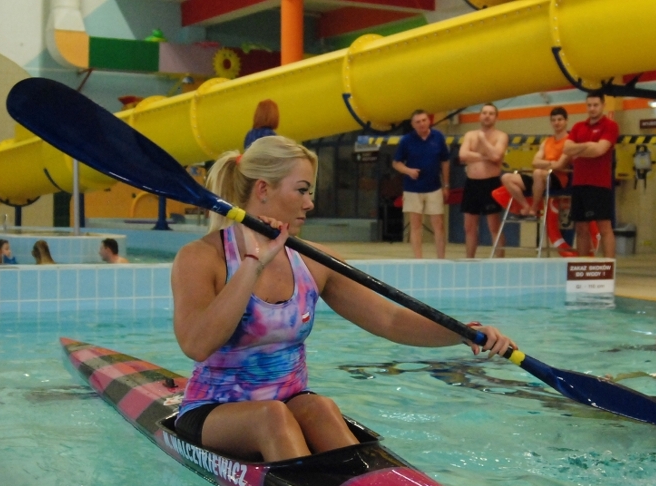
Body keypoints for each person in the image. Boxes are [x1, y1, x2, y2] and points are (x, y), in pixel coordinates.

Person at [170, 135, 515, 462]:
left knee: (321, 408)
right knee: (271, 417)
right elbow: (196, 345)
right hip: (214, 410)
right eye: (302, 190)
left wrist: (464, 333)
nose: (310, 203)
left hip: (291, 405)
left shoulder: (315, 261)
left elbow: (390, 320)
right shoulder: (201, 257)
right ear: (263, 189)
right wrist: (252, 264)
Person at [562, 93, 619, 258]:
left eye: (595, 105)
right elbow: (566, 149)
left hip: (599, 184)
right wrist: (588, 146)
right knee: (581, 227)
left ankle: (609, 265)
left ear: (603, 105)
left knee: (604, 227)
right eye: (589, 105)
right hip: (579, 183)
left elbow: (599, 150)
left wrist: (579, 148)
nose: (592, 109)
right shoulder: (578, 126)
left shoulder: (610, 126)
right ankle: (582, 264)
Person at [392, 110, 451, 259]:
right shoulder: (406, 140)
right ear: (413, 125)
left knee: (438, 224)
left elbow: (445, 161)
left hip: (434, 187)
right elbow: (396, 163)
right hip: (413, 188)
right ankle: (418, 259)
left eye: (424, 120)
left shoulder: (438, 137)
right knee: (416, 225)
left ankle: (441, 259)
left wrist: (446, 185)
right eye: (418, 122)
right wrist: (408, 171)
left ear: (429, 121)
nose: (421, 124)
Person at [500, 106, 572, 217]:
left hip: (558, 179)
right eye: (553, 120)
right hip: (540, 177)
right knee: (506, 177)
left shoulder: (570, 141)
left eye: (559, 119)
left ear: (566, 121)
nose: (556, 123)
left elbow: (559, 165)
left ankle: (534, 208)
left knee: (538, 173)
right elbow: (534, 162)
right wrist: (551, 164)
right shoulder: (546, 142)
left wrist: (545, 164)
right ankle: (525, 206)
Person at [458, 103, 508, 258]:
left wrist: (483, 139)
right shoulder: (470, 135)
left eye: (491, 113)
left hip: (490, 184)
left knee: (494, 226)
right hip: (472, 184)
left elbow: (496, 156)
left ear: (496, 117)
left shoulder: (501, 136)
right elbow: (462, 155)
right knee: (469, 226)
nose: (487, 116)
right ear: (480, 116)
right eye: (484, 113)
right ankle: (469, 260)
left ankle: (499, 261)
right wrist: (485, 157)